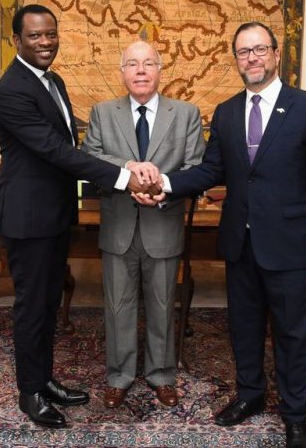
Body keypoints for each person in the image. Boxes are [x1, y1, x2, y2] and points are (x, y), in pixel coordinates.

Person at [137, 22, 306, 447]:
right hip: (240, 243)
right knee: (243, 327)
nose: (251, 58)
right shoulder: (228, 111)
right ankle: (249, 395)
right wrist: (165, 186)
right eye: (243, 52)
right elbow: (212, 170)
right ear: (236, 60)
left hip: (291, 245)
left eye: (259, 49)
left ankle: (294, 414)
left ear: (275, 54)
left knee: (293, 332)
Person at [0, 5, 151, 429]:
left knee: (46, 303)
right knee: (32, 308)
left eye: (51, 34)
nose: (45, 42)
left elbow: (67, 148)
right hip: (28, 220)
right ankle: (31, 393)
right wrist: (124, 176)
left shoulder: (52, 80)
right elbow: (57, 152)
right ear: (17, 41)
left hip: (55, 215)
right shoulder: (11, 90)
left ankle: (44, 379)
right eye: (35, 37)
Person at [81, 40, 205, 408]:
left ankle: (161, 374)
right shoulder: (103, 112)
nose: (140, 70)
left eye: (148, 63)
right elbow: (90, 158)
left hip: (164, 224)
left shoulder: (186, 113)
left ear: (160, 70)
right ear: (122, 72)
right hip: (118, 225)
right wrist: (129, 170)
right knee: (117, 305)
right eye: (132, 64)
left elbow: (196, 169)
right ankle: (119, 376)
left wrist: (162, 190)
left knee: (163, 304)